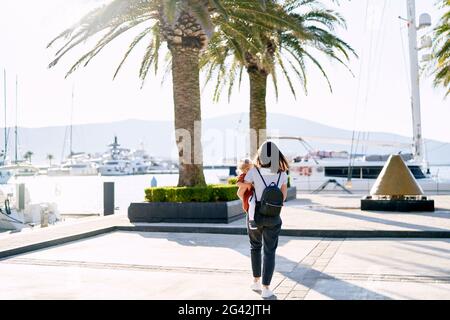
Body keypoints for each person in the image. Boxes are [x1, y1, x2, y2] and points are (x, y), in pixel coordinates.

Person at [237, 141, 289, 299]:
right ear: (276, 155)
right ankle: (267, 288)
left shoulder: (254, 172)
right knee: (270, 251)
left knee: (255, 247)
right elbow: (283, 197)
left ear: (260, 155)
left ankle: (256, 281)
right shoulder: (282, 174)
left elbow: (240, 191)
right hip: (273, 215)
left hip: (255, 215)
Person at [236, 158, 257, 230]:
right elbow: (238, 183)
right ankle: (251, 221)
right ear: (243, 170)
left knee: (253, 203)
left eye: (249, 168)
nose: (248, 170)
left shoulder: (253, 174)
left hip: (252, 193)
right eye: (246, 169)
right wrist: (247, 185)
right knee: (252, 203)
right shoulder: (243, 175)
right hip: (248, 195)